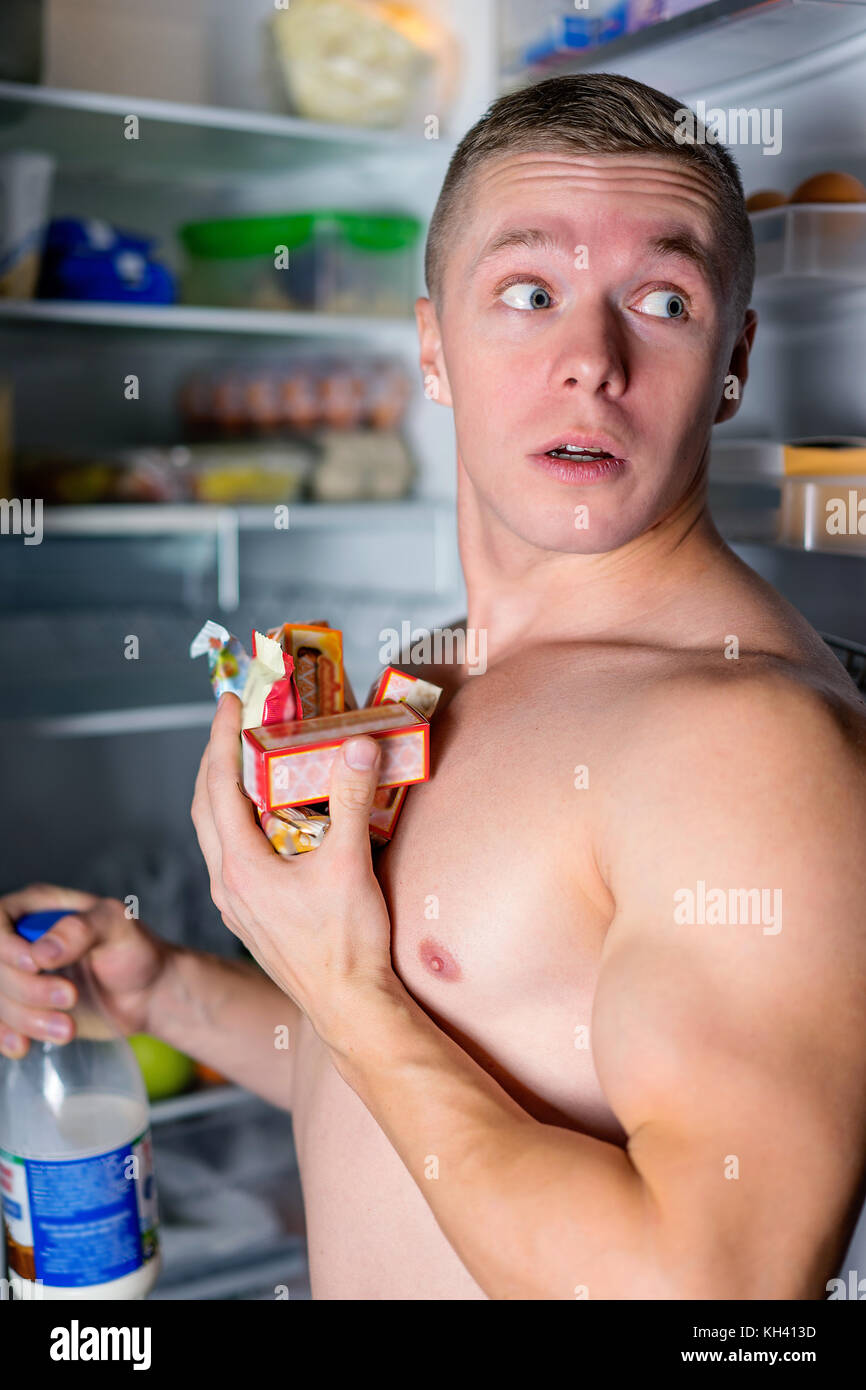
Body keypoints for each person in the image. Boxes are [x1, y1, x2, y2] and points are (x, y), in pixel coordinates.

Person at [3, 73, 866, 1301]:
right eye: (528, 294)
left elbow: (704, 1294)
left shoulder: (744, 742)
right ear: (431, 349)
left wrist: (345, 988)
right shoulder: (434, 671)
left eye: (660, 300)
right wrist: (167, 992)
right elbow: (412, 1085)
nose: (589, 362)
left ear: (730, 361)